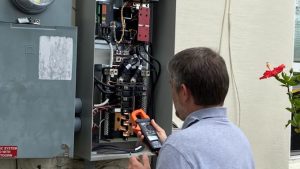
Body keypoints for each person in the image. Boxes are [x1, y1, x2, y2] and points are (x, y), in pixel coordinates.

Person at [128, 47, 255, 169]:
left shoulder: (178, 147)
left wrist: (173, 150)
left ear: (184, 92)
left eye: (171, 86)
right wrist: (168, 148)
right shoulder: (240, 138)